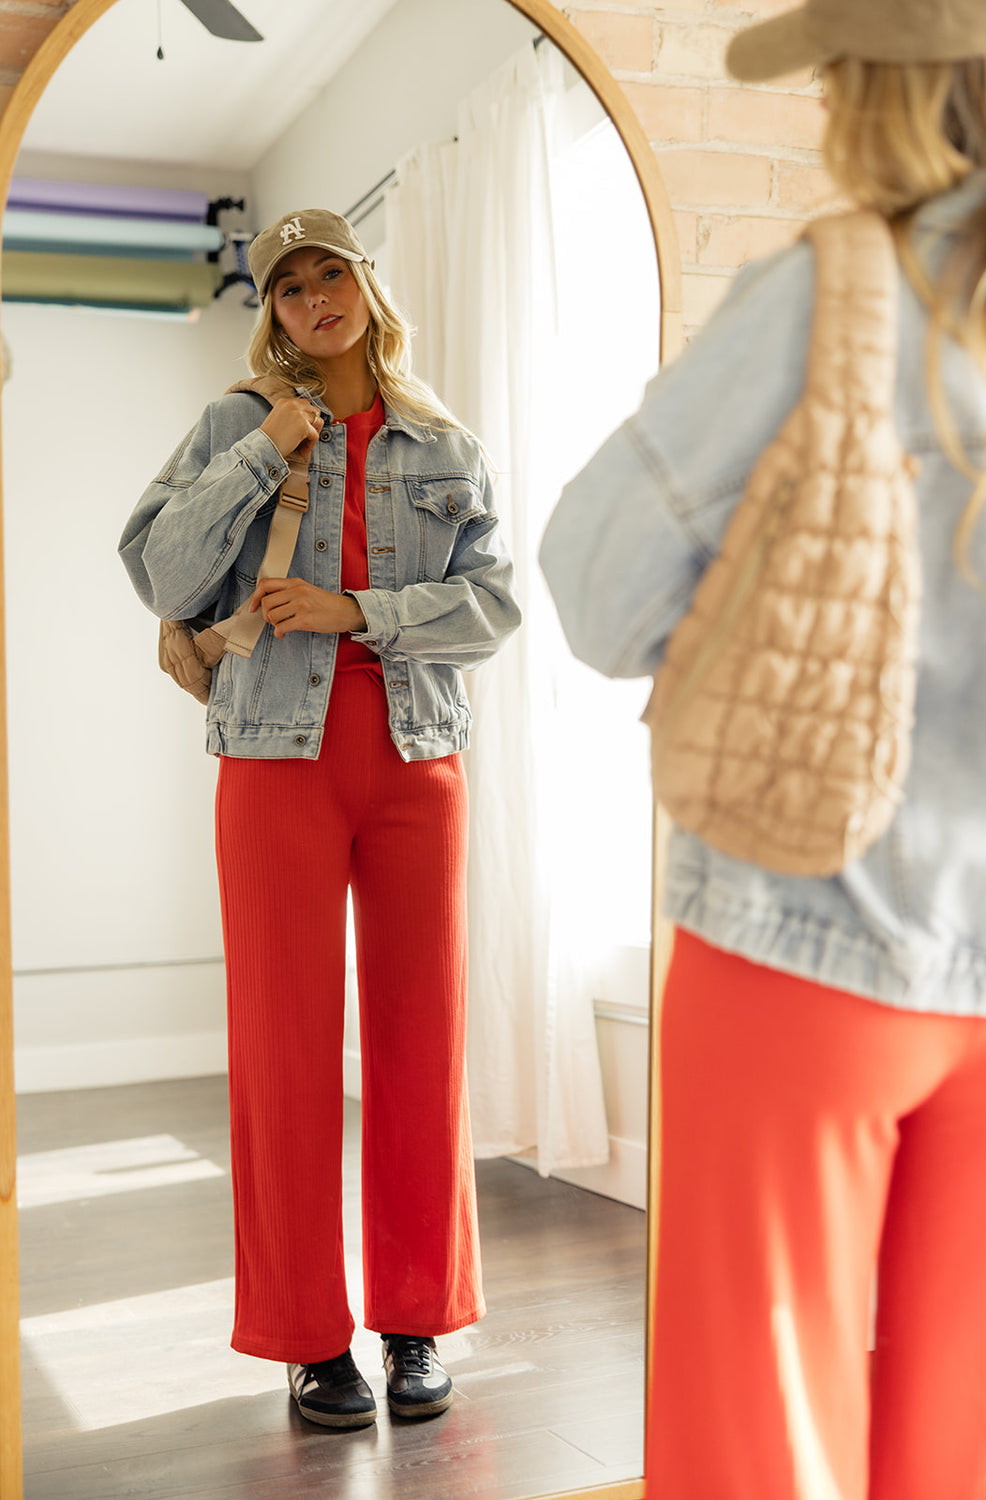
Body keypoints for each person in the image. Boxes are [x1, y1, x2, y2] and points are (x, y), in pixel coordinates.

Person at [540, 3, 986, 1496]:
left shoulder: (841, 293)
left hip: (809, 929)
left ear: (885, 84)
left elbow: (600, 588)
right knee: (969, 1446)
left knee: (761, 1433)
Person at [120, 209, 520, 1430]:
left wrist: (360, 612)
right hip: (273, 761)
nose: (312, 299)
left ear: (365, 285)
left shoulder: (443, 440)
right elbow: (160, 572)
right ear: (274, 313)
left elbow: (493, 609)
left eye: (328, 274)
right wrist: (263, 452)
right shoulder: (235, 423)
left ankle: (415, 1320)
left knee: (420, 1048)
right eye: (288, 287)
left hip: (415, 761)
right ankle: (307, 1339)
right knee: (284, 1053)